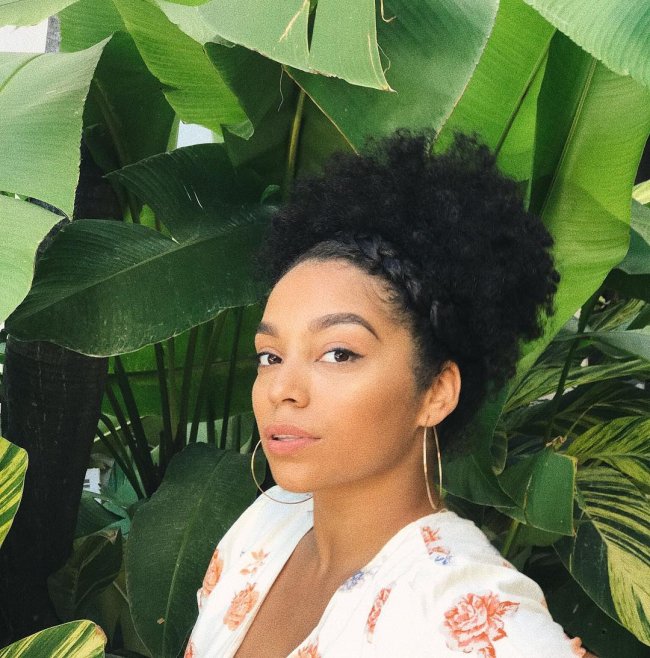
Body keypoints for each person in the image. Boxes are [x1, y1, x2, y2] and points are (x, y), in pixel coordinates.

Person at [184, 132, 590, 657]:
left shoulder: (456, 606)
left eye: (338, 353)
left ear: (436, 393)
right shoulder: (264, 528)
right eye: (270, 355)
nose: (282, 389)